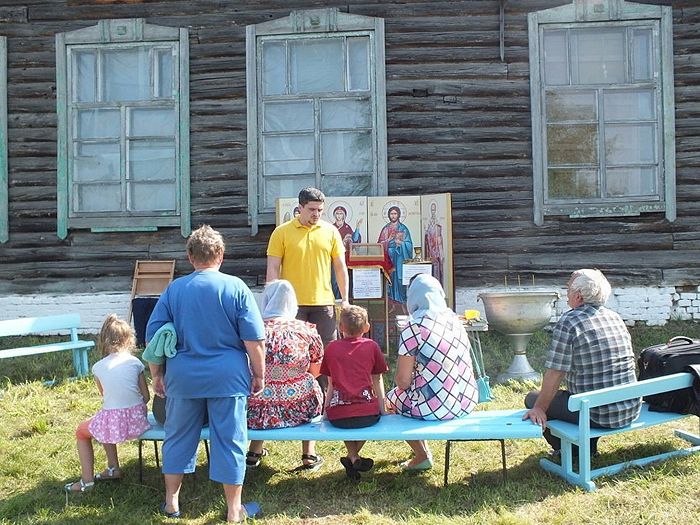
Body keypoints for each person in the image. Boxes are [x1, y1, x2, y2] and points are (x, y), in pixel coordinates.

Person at [146, 225, 265, 523]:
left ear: (189, 256)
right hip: (228, 377)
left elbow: (155, 336)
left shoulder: (175, 289)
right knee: (231, 439)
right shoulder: (236, 287)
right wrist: (259, 374)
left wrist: (157, 374)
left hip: (183, 377)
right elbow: (254, 339)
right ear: (221, 255)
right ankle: (233, 510)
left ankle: (171, 502)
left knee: (178, 436)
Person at [523, 269, 641, 458]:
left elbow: (555, 372)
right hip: (629, 408)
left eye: (568, 288)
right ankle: (587, 447)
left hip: (597, 414)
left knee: (532, 399)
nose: (565, 292)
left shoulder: (570, 321)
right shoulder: (614, 317)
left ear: (578, 297)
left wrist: (539, 407)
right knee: (586, 394)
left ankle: (573, 451)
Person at [386, 274, 478, 470]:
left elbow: (402, 381)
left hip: (436, 408)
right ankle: (421, 453)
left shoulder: (414, 327)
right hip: (466, 402)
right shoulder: (455, 321)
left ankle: (421, 454)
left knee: (391, 399)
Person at [65, 314, 151, 493]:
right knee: (103, 420)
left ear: (104, 340)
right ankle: (113, 468)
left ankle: (86, 482)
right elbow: (146, 396)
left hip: (114, 423)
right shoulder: (136, 363)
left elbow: (105, 395)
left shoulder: (98, 367)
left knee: (82, 431)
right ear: (129, 339)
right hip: (138, 421)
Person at [246, 279, 325, 471]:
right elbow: (316, 369)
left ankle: (254, 451)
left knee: (260, 387)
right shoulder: (306, 329)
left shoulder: (255, 328)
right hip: (299, 404)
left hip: (257, 404)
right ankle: (309, 454)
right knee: (311, 385)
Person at [320, 305, 388, 480]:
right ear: (366, 328)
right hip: (368, 413)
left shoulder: (331, 348)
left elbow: (331, 385)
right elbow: (377, 379)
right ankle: (354, 455)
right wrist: (382, 409)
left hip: (338, 417)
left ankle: (352, 455)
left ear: (340, 327)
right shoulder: (372, 346)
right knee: (362, 418)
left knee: (346, 413)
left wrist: (326, 411)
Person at [377, 205, 413, 306]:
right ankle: (391, 303)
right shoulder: (385, 229)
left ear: (398, 215)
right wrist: (388, 240)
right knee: (390, 278)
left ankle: (402, 302)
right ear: (389, 215)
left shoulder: (403, 228)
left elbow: (409, 244)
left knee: (400, 278)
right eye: (391, 214)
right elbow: (379, 244)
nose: (393, 216)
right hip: (389, 257)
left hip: (400, 257)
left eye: (395, 214)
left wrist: (401, 244)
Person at [423, 201, 444, 286]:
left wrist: (441, 252)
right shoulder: (429, 222)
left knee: (437, 270)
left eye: (434, 210)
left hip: (437, 251)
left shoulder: (437, 222)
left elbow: (439, 237)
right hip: (430, 250)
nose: (433, 212)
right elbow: (427, 235)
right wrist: (426, 232)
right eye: (431, 210)